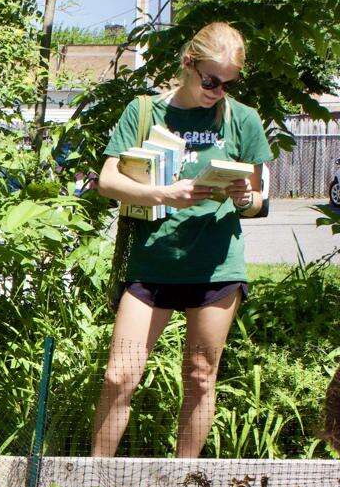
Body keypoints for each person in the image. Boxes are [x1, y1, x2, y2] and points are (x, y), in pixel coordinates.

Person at [92, 22, 272, 458]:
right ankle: (91, 483)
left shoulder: (242, 119)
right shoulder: (145, 112)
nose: (218, 90)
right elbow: (107, 180)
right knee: (120, 375)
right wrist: (163, 194)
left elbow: (261, 200)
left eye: (229, 82)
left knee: (200, 375)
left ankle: (181, 483)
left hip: (216, 264)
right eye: (211, 79)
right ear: (188, 64)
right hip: (153, 263)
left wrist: (247, 197)